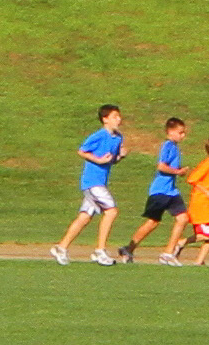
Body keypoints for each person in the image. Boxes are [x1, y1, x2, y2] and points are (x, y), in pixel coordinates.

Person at [53, 105, 124, 265]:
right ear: (105, 119)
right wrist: (98, 160)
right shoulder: (99, 135)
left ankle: (61, 247)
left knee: (84, 217)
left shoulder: (118, 138)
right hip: (92, 182)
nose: (118, 119)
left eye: (119, 116)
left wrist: (120, 157)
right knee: (111, 211)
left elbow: (111, 160)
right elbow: (82, 151)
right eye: (114, 116)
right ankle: (100, 251)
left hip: (100, 181)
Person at [118, 118, 188, 261]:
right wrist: (177, 172)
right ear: (170, 131)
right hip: (160, 191)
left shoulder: (175, 147)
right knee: (152, 222)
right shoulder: (167, 145)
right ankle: (129, 249)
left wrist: (179, 171)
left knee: (183, 218)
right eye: (180, 132)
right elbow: (161, 166)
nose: (183, 135)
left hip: (171, 191)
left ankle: (168, 253)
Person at [162, 136, 209, 265]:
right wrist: (207, 192)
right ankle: (180, 243)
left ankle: (199, 262)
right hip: (201, 203)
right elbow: (192, 179)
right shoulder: (207, 164)